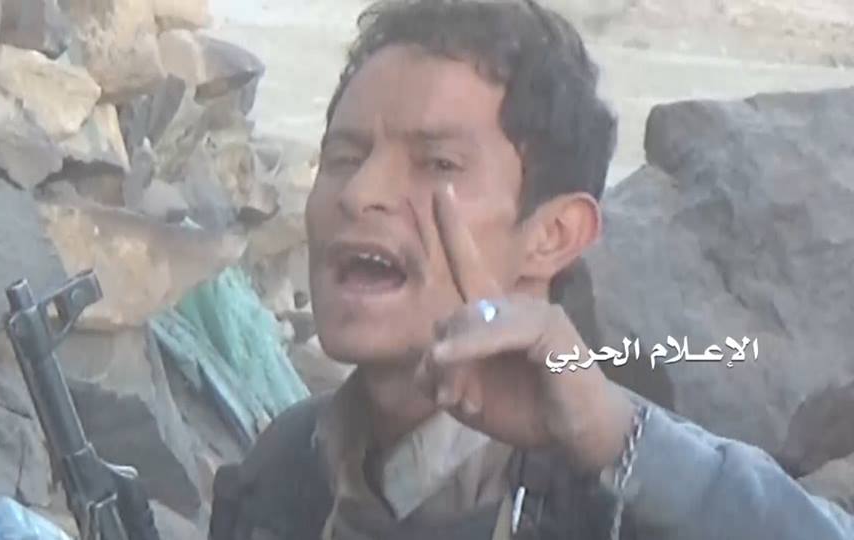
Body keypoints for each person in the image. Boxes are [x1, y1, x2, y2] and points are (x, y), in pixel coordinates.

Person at [208, 1, 854, 538]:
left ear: (553, 235)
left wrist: (618, 441)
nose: (359, 194)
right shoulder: (285, 471)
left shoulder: (630, 498)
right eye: (345, 157)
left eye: (437, 164)